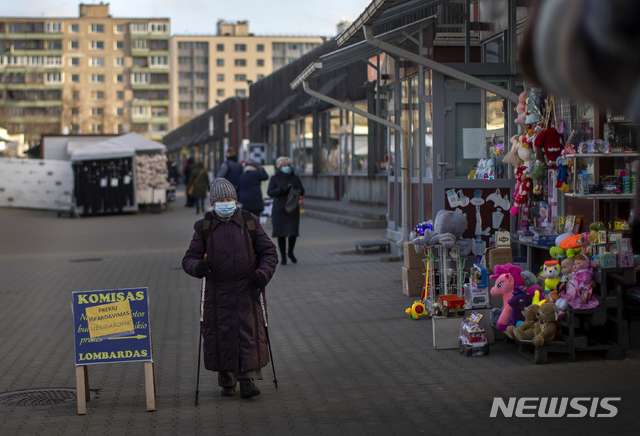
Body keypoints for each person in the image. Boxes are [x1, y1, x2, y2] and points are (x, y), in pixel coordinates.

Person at [182, 178, 278, 399]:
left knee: (249, 332)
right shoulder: (204, 226)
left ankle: (248, 380)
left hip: (248, 289)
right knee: (222, 334)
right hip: (218, 293)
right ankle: (227, 380)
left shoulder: (249, 222)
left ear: (236, 201)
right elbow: (188, 259)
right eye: (221, 200)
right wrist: (198, 267)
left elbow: (269, 253)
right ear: (213, 204)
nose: (226, 203)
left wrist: (263, 275)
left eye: (229, 199)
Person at [267, 156, 305, 265]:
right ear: (279, 167)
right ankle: (283, 256)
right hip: (279, 208)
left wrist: (296, 187)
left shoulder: (295, 178)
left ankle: (290, 252)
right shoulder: (275, 178)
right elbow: (270, 192)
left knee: (293, 232)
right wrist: (282, 190)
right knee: (281, 233)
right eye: (284, 166)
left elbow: (302, 191)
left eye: (288, 165)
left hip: (292, 208)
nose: (287, 167)